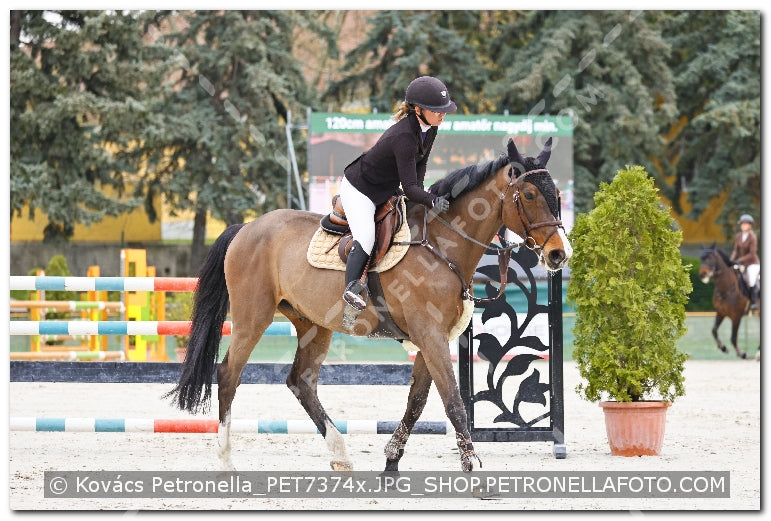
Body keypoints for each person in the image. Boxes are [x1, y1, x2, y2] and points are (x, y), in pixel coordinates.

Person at [338, 75, 455, 311]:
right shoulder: (404, 136)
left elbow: (419, 166)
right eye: (437, 110)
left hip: (385, 187)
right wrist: (431, 199)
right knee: (367, 236)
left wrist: (423, 193)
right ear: (418, 109)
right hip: (361, 189)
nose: (443, 114)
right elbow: (410, 189)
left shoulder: (429, 128)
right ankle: (351, 288)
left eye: (444, 110)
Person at [730, 214, 760, 310]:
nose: (743, 226)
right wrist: (731, 260)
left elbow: (752, 254)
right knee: (731, 275)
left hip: (752, 263)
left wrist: (739, 260)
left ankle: (754, 302)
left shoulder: (753, 237)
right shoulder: (738, 236)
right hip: (741, 263)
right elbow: (735, 250)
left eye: (745, 224)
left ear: (750, 225)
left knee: (751, 281)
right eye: (742, 224)